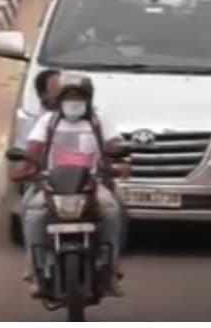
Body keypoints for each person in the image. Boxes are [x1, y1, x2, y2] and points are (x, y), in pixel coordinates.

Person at [11, 71, 127, 297]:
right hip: (52, 185)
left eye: (79, 97)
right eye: (68, 97)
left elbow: (116, 147)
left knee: (114, 210)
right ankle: (35, 269)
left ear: (88, 99)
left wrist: (121, 165)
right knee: (32, 212)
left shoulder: (100, 120)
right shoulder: (48, 121)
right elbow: (33, 148)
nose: (74, 102)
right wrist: (25, 167)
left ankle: (110, 268)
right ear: (59, 100)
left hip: (93, 185)